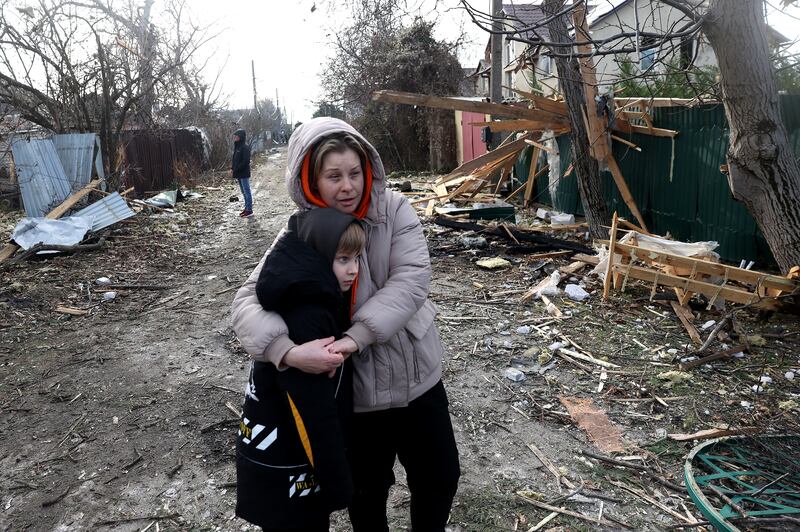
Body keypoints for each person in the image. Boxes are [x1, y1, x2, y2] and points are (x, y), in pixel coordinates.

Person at [232, 117, 460, 532]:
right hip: (355, 397)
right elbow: (247, 301)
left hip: (416, 378)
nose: (347, 186)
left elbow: (411, 281)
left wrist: (354, 338)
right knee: (366, 493)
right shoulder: (299, 231)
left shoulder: (394, 210)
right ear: (310, 178)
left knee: (440, 476)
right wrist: (287, 352)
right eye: (333, 176)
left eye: (354, 173)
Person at [236, 207, 364, 531]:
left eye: (357, 259)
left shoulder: (292, 294)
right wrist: (338, 485)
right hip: (289, 473)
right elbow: (313, 415)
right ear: (319, 257)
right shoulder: (310, 318)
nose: (353, 270)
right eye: (343, 259)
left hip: (269, 463)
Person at [232, 128, 253, 218]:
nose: (235, 138)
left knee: (247, 191)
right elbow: (235, 160)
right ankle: (246, 208)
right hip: (238, 173)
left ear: (240, 137)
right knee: (243, 192)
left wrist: (237, 168)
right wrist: (232, 168)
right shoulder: (237, 146)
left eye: (236, 136)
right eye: (234, 136)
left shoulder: (245, 147)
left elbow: (245, 161)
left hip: (243, 173)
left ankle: (249, 210)